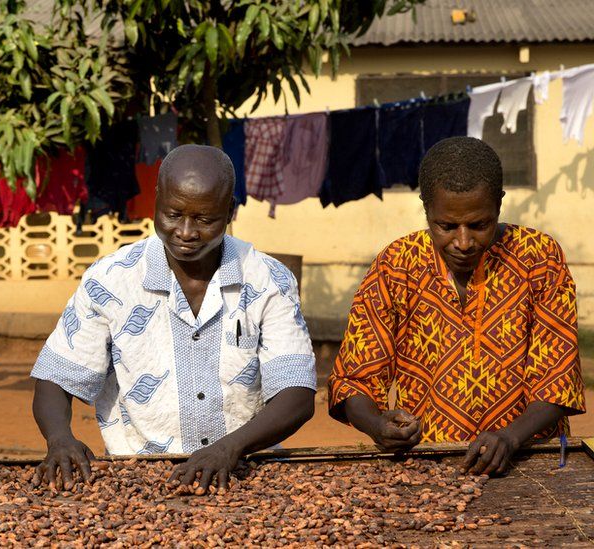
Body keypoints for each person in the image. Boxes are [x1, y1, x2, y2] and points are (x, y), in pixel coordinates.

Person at [31, 144, 316, 493]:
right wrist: (59, 439)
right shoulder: (111, 279)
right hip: (139, 479)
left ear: (230, 211)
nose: (185, 231)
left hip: (245, 472)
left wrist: (230, 447)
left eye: (204, 219)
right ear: (156, 201)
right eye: (173, 213)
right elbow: (56, 379)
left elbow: (297, 395)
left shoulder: (269, 279)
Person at [328, 137, 586, 476]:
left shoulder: (539, 259)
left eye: (479, 225)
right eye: (446, 226)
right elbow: (354, 379)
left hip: (531, 461)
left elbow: (557, 379)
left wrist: (510, 437)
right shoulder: (397, 266)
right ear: (426, 210)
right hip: (427, 466)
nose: (463, 243)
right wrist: (377, 424)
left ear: (499, 205)